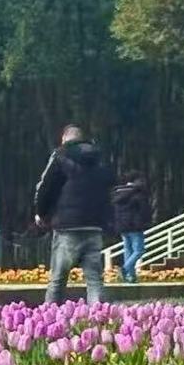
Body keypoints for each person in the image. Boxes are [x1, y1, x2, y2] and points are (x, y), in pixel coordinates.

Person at [33, 125, 114, 307]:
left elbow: (47, 187)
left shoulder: (60, 156)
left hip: (67, 225)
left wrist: (41, 213)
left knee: (58, 278)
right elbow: (109, 187)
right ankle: (99, 316)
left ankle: (49, 315)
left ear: (65, 139)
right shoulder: (99, 158)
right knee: (94, 279)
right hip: (94, 225)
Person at [113, 171, 152, 283]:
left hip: (122, 226)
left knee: (128, 249)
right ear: (136, 180)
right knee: (139, 250)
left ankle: (130, 276)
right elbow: (144, 210)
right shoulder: (138, 193)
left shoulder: (118, 193)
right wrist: (146, 222)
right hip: (135, 226)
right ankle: (125, 268)